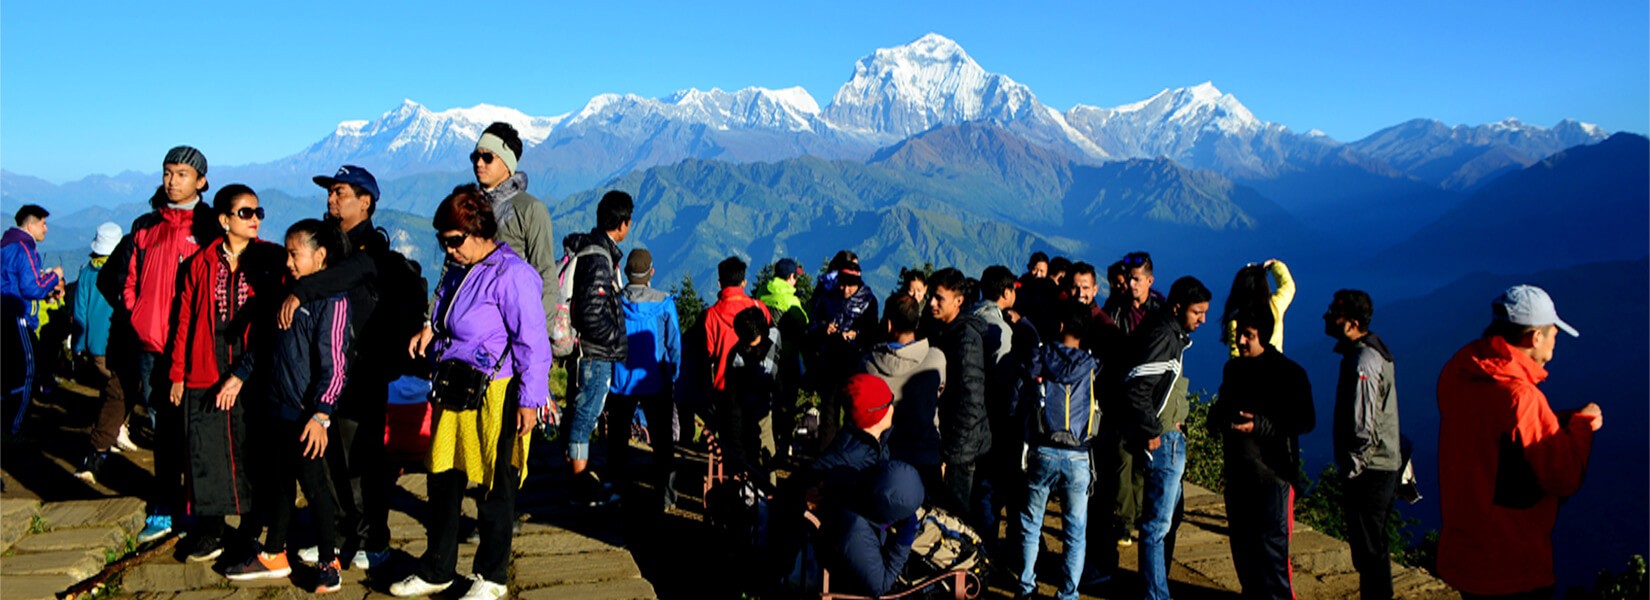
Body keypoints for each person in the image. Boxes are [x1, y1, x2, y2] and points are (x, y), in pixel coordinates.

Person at [392, 186, 550, 600]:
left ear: (479, 230)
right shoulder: (458, 269)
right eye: (443, 242)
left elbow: (533, 342)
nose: (448, 249)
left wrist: (532, 400)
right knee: (443, 478)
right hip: (455, 388)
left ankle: (492, 577)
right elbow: (443, 304)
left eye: (455, 241)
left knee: (495, 487)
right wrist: (430, 327)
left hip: (496, 394)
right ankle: (437, 568)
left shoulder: (513, 275)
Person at [286, 165, 428, 569]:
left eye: (341, 193)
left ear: (366, 202)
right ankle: (336, 536)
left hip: (362, 371)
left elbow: (345, 283)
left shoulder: (371, 255)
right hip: (328, 370)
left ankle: (372, 539)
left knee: (359, 461)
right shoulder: (330, 246)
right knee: (326, 459)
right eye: (330, 193)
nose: (332, 200)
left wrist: (299, 292)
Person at [1436, 285, 1598, 599]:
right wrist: (1582, 426)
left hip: (1463, 552)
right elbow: (1563, 476)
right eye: (1554, 333)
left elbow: (1496, 434)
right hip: (1511, 564)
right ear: (1535, 336)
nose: (1555, 341)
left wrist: (1558, 420)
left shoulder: (1459, 371)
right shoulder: (1521, 397)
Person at [220, 219, 352, 593]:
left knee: (315, 487)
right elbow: (266, 344)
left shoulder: (332, 302)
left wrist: (322, 414)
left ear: (321, 256)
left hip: (307, 414)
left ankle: (330, 559)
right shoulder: (287, 293)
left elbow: (335, 365)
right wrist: (241, 374)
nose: (289, 262)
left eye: (295, 254)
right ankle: (274, 551)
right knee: (277, 484)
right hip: (276, 407)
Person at [98, 145, 220, 543]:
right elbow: (115, 278)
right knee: (163, 427)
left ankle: (202, 508)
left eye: (181, 174)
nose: (172, 180)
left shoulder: (210, 227)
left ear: (200, 180)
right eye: (168, 172)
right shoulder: (146, 226)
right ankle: (167, 505)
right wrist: (136, 311)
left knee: (199, 428)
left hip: (198, 346)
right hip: (153, 345)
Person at [167, 185, 287, 562]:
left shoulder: (270, 259)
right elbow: (184, 320)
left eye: (258, 213)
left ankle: (252, 527)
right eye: (245, 213)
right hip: (206, 360)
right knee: (206, 449)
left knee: (253, 448)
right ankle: (211, 529)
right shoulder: (199, 264)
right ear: (223, 220)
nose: (255, 220)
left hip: (254, 364)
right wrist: (177, 373)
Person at [1213, 309, 1315, 599]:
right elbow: (1223, 403)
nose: (1242, 341)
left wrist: (1261, 425)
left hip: (1274, 473)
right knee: (1243, 548)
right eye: (1239, 334)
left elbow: (1305, 420)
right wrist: (1216, 417)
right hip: (1238, 471)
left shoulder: (1289, 373)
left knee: (1272, 550)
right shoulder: (1233, 370)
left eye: (1249, 336)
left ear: (1264, 337)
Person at [1125, 276, 1210, 600]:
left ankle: (1156, 587)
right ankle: (1155, 594)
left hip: (1168, 436)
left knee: (1168, 520)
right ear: (1178, 307)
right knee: (1156, 527)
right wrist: (1151, 430)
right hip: (1163, 441)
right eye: (1197, 312)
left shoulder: (1167, 331)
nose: (1202, 320)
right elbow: (1138, 386)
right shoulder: (1165, 335)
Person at [1013, 302, 1100, 600]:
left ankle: (1026, 587)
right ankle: (1068, 594)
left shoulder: (1040, 356)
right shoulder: (1092, 365)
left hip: (1042, 449)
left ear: (1060, 326)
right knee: (1075, 531)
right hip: (1078, 453)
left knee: (1031, 522)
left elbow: (1020, 394)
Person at [1321, 289, 1401, 599]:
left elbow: (1362, 423)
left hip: (1372, 469)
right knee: (1374, 546)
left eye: (1336, 313)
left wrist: (1353, 468)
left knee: (1369, 549)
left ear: (1352, 323)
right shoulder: (1370, 351)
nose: (1329, 316)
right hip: (1381, 464)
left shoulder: (1363, 361)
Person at [561, 190, 631, 506]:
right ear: (623, 223)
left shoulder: (592, 251)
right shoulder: (600, 259)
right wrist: (615, 339)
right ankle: (580, 483)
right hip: (594, 352)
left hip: (586, 351)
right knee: (586, 414)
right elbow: (591, 311)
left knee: (580, 411)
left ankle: (577, 477)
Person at [608, 248, 682, 511]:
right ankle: (666, 494)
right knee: (663, 442)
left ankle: (617, 488)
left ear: (627, 273)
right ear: (651, 272)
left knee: (617, 439)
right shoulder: (663, 302)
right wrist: (673, 374)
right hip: (655, 380)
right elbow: (674, 343)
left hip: (620, 379)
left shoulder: (615, 301)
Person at [860, 294, 945, 497]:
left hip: (884, 458)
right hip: (926, 457)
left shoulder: (868, 365)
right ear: (917, 323)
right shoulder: (936, 359)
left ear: (888, 325)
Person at [472, 122, 557, 324]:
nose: (479, 163)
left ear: (507, 164)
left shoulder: (530, 209)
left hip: (512, 322)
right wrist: (431, 321)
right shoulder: (468, 206)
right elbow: (452, 265)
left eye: (487, 157)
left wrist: (536, 332)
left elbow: (545, 274)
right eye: (475, 157)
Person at [926, 268, 990, 524]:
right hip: (956, 444)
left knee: (957, 519)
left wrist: (952, 452)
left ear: (958, 300)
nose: (931, 302)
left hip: (963, 450)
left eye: (938, 298)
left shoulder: (965, 340)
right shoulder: (945, 331)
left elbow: (971, 399)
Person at [75, 222, 134, 483]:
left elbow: (79, 313)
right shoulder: (125, 272)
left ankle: (110, 434)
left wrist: (78, 345)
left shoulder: (87, 273)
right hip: (120, 342)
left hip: (95, 346)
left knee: (111, 389)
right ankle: (116, 431)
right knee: (120, 389)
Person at [818, 460, 925, 598]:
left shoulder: (860, 482)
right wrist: (904, 540)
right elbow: (879, 587)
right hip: (849, 586)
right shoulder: (856, 532)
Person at [2, 204, 65, 433]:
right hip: (18, 315)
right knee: (27, 369)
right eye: (43, 223)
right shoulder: (24, 248)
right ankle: (15, 426)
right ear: (31, 225)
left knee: (7, 371)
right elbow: (31, 288)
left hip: (3, 314)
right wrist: (54, 277)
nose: (46, 229)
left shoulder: (5, 245)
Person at [757, 257, 809, 458]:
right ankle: (784, 446)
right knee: (786, 404)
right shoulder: (791, 300)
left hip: (762, 356)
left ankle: (765, 442)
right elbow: (803, 325)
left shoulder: (762, 292)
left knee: (766, 403)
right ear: (790, 277)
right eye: (795, 277)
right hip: (786, 358)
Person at [1221, 259, 1295, 358]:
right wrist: (1274, 265)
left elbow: (1235, 356)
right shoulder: (1275, 306)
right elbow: (1288, 286)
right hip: (1277, 369)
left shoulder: (1236, 322)